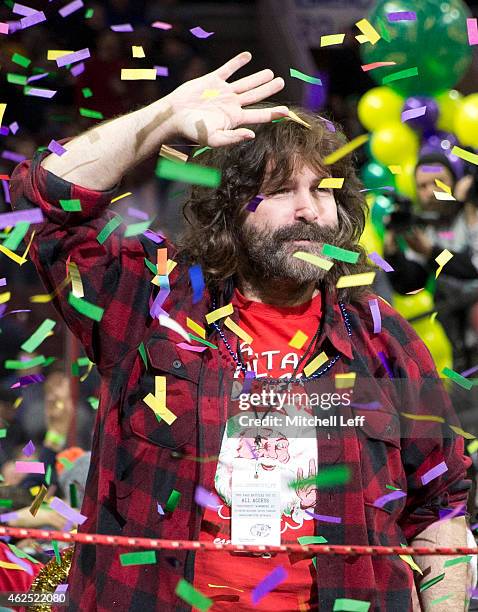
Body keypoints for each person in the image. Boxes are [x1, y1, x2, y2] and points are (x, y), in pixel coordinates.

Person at [9, 51, 473, 611]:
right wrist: (162, 116)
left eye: (324, 190)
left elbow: (440, 510)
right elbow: (42, 204)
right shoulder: (151, 299)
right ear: (231, 209)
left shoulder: (381, 339)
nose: (309, 210)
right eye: (281, 191)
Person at [383, 153, 478, 370]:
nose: (431, 192)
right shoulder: (424, 224)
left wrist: (431, 251)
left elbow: (473, 267)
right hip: (453, 338)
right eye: (422, 186)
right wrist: (392, 249)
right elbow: (411, 284)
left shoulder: (471, 211)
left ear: (455, 181)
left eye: (438, 182)